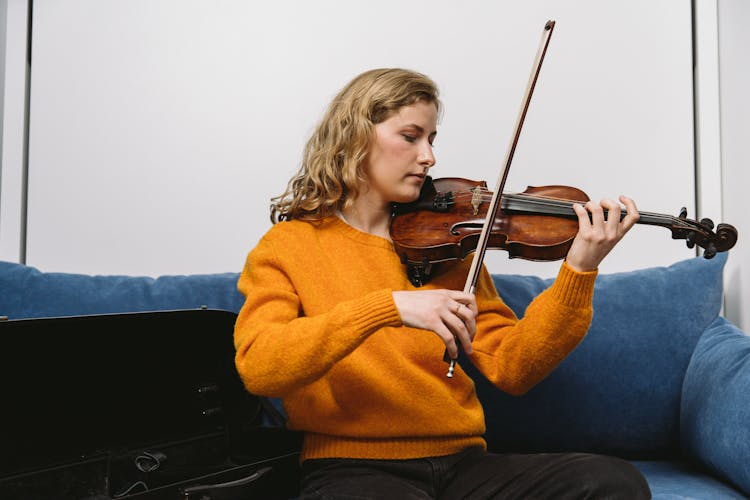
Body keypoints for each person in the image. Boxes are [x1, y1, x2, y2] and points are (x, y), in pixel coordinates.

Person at [233, 68, 651, 499]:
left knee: (612, 484)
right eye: (411, 136)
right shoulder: (289, 245)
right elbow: (260, 366)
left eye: (432, 139)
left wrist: (579, 268)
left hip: (463, 465)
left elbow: (513, 367)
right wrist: (389, 307)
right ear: (354, 136)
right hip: (354, 468)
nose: (429, 156)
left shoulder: (448, 246)